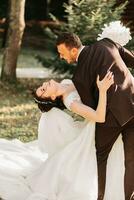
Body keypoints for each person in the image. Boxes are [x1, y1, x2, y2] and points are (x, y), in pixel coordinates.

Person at [0, 73, 124, 200]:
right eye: (43, 90)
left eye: (41, 86)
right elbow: (99, 117)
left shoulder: (65, 82)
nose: (44, 84)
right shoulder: (70, 101)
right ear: (53, 96)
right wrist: (102, 90)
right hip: (99, 129)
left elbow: (80, 82)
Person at [56, 32, 134, 200]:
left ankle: (100, 196)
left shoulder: (79, 77)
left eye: (62, 53)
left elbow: (92, 108)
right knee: (132, 159)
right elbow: (131, 60)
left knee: (100, 156)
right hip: (132, 104)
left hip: (111, 118)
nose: (61, 57)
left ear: (74, 50)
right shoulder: (107, 43)